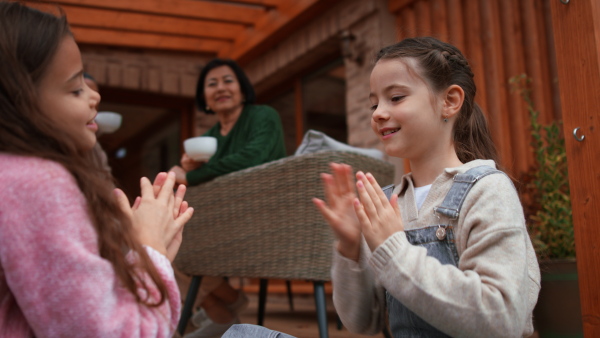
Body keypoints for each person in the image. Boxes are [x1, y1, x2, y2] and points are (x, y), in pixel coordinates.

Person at [313, 37, 541, 337]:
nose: (378, 112)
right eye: (374, 102)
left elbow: (501, 319)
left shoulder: (487, 191)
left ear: (450, 101)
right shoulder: (388, 202)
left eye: (395, 98)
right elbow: (361, 322)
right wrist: (350, 248)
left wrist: (394, 251)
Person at [0, 2, 194, 336]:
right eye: (76, 88)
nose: (94, 97)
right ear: (17, 104)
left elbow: (68, 305)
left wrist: (138, 254)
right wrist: (151, 247)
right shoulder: (36, 183)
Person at [170, 58, 286, 337]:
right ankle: (219, 305)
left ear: (243, 91)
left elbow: (253, 158)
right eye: (212, 84)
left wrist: (190, 176)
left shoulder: (263, 116)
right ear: (205, 99)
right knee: (165, 238)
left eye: (227, 81)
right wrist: (191, 169)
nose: (220, 87)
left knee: (177, 242)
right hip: (223, 221)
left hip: (266, 217)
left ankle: (223, 305)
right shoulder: (209, 137)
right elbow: (211, 181)